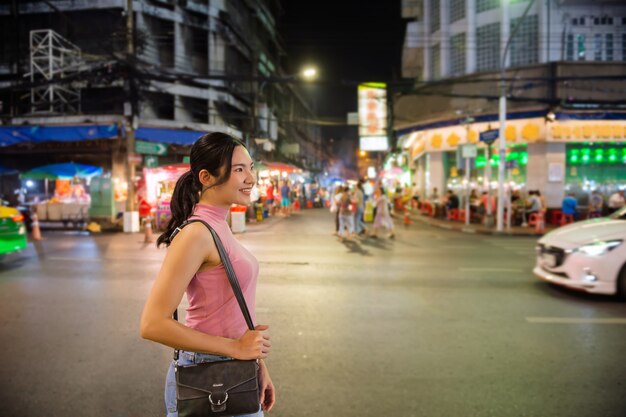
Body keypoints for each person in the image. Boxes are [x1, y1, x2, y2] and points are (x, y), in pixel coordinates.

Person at [140, 132, 275, 417]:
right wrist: (236, 348)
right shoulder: (197, 233)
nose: (251, 178)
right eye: (239, 169)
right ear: (206, 177)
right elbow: (152, 324)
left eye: (251, 168)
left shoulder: (219, 225)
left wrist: (257, 364)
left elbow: (232, 310)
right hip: (209, 379)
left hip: (235, 370)